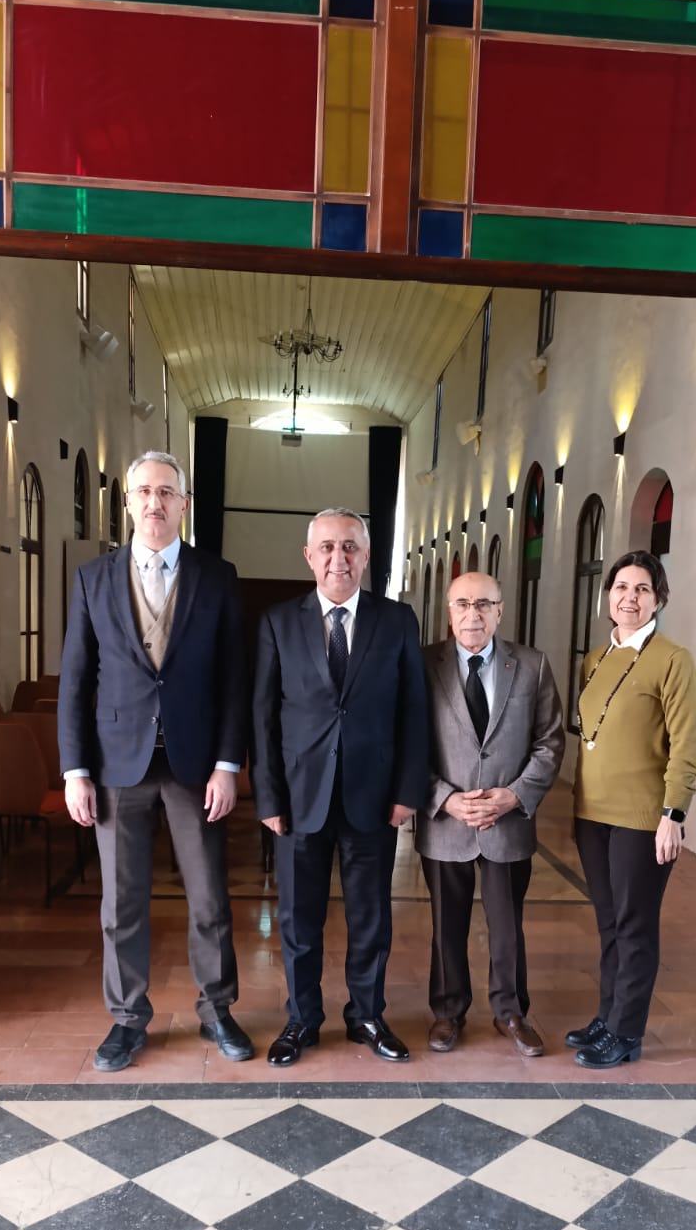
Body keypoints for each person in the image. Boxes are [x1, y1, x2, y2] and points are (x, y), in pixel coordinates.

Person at [58, 451, 252, 1072]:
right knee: (121, 903)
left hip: (196, 763)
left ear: (184, 504)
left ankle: (217, 1009)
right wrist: (75, 771)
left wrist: (228, 763)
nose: (154, 502)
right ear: (128, 502)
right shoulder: (93, 578)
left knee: (209, 898)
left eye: (166, 492)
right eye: (143, 491)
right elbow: (75, 680)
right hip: (117, 763)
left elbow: (235, 680)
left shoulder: (217, 576)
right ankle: (126, 1019)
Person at [250, 508, 427, 1066]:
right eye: (326, 547)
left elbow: (414, 711)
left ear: (366, 556)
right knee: (298, 920)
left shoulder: (397, 621)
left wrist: (407, 792)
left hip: (372, 798)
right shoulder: (278, 621)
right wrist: (268, 796)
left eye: (349, 547)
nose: (338, 558)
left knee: (371, 917)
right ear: (309, 556)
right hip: (299, 799)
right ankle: (302, 1019)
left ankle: (367, 1015)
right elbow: (263, 716)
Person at [416, 573, 565, 1056]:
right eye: (462, 604)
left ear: (500, 610)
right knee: (446, 925)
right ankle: (448, 1012)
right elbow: (408, 744)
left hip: (508, 821)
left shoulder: (532, 665)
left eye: (483, 604)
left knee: (507, 926)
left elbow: (549, 741)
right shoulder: (423, 664)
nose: (473, 614)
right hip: (446, 821)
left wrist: (515, 796)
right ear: (449, 611)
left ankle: (511, 1012)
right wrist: (444, 798)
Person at [567, 550, 696, 1068]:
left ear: (658, 599)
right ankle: (607, 1016)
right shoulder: (594, 659)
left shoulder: (673, 659)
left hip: (643, 818)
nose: (630, 598)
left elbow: (688, 743)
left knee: (635, 925)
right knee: (608, 922)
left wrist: (674, 815)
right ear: (608, 596)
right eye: (622, 587)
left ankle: (626, 1032)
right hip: (592, 814)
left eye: (642, 589)